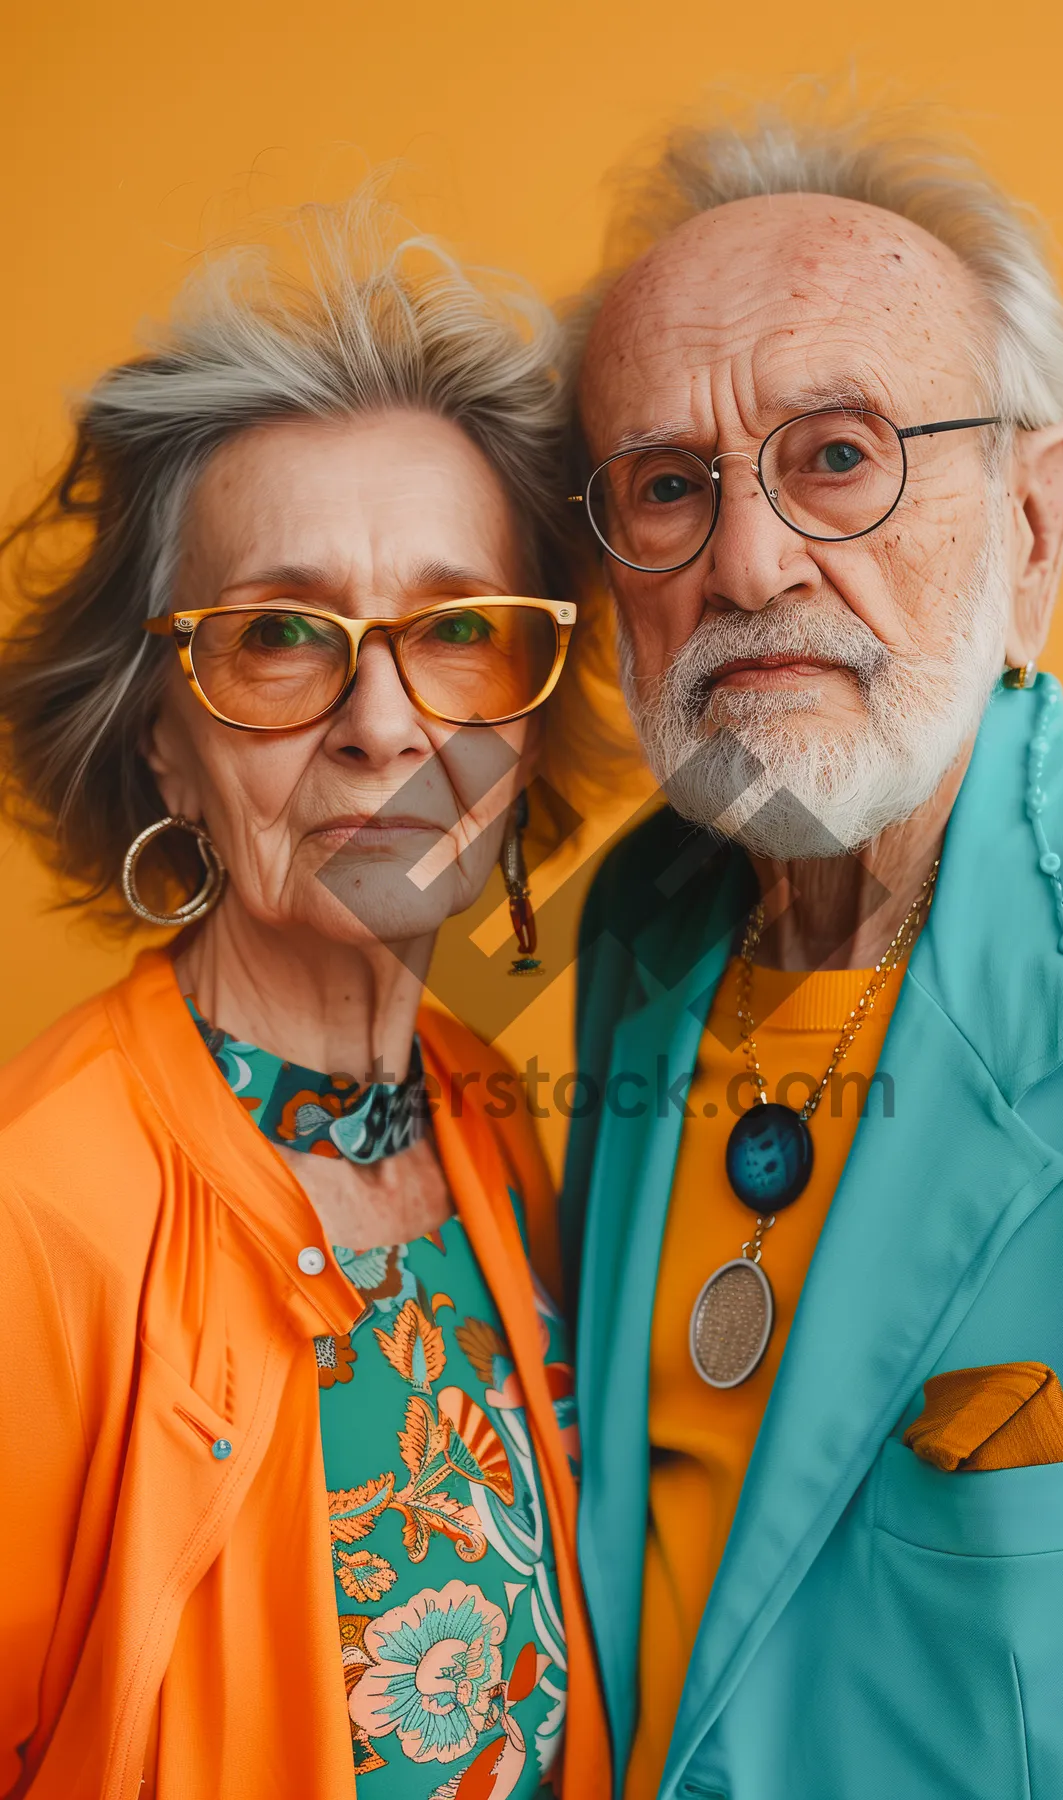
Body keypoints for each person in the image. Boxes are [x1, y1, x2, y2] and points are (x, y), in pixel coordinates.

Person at [560, 107, 1063, 1799]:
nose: (748, 562)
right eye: (667, 488)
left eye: (837, 455)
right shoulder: (633, 929)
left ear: (1037, 520)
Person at [0, 202, 609, 1800]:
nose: (384, 724)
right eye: (281, 636)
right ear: (159, 740)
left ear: (530, 726)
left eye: (459, 632)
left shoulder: (489, 1116)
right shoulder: (35, 1210)